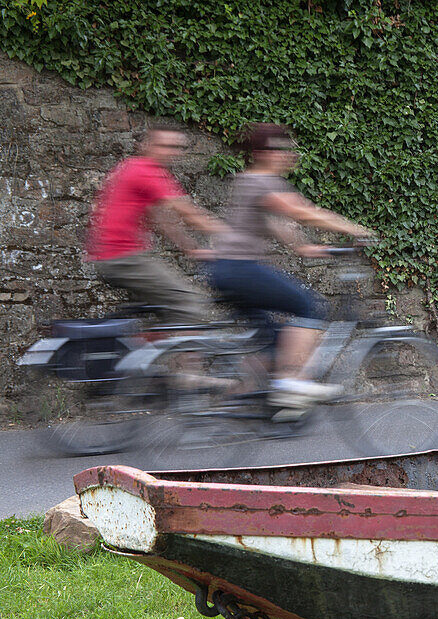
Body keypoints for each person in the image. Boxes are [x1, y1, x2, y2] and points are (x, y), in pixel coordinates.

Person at [208, 123, 374, 408]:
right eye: (279, 149)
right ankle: (291, 383)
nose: (286, 155)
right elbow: (300, 212)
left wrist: (304, 247)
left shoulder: (248, 181)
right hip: (239, 269)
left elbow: (272, 224)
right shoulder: (261, 181)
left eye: (288, 150)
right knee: (308, 305)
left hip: (226, 272)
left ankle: (241, 398)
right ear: (260, 153)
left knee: (274, 341)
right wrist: (355, 229)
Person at [86, 125, 226, 324]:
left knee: (167, 312)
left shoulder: (132, 166)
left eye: (176, 147)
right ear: (147, 146)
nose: (171, 152)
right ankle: (174, 354)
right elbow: (188, 213)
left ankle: (154, 349)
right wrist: (235, 233)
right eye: (164, 145)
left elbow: (162, 219)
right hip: (124, 258)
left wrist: (192, 248)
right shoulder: (147, 171)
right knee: (191, 303)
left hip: (115, 256)